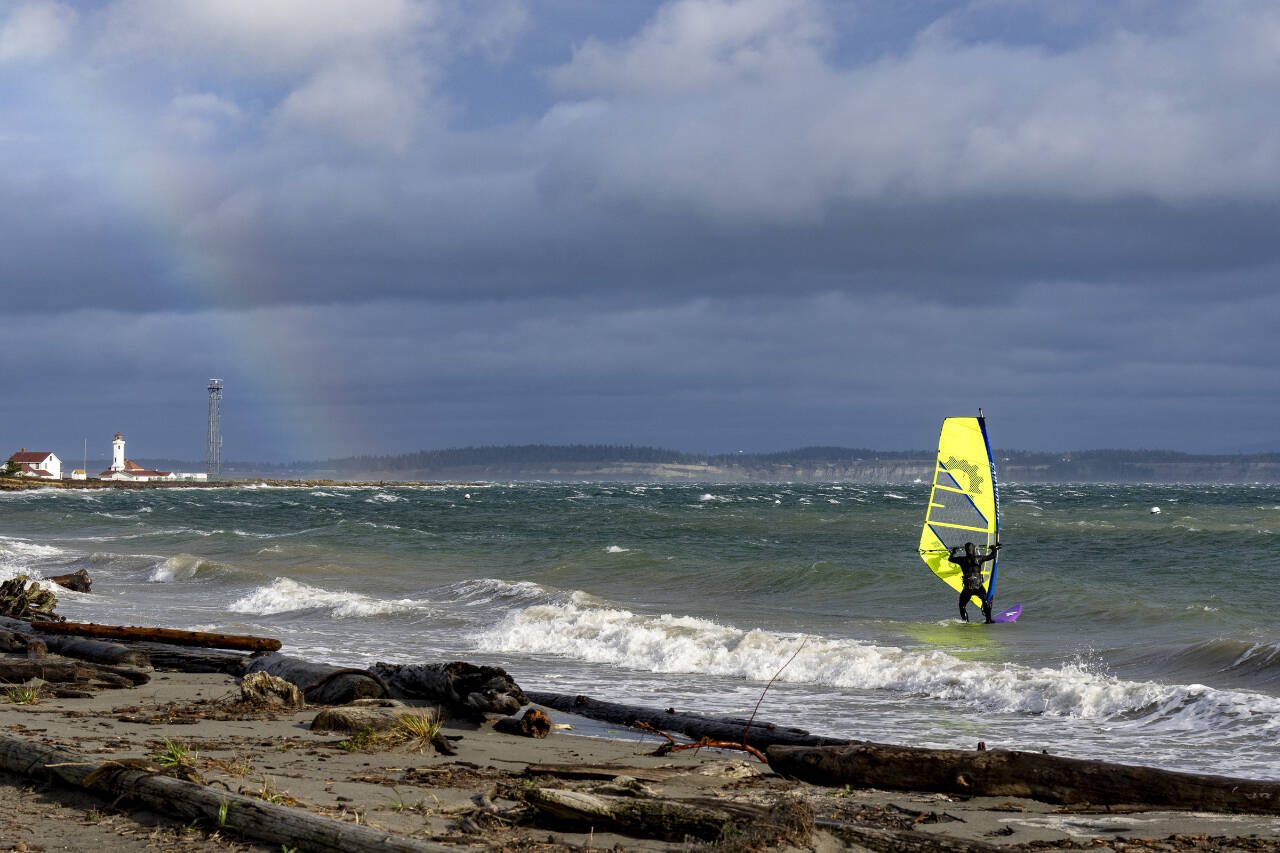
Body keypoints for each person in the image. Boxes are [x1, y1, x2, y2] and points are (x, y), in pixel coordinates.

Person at [948, 541, 1001, 623]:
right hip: (978, 587)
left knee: (962, 606)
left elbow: (950, 559)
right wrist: (994, 549)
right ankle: (988, 620)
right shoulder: (979, 558)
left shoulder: (961, 560)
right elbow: (992, 556)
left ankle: (965, 622)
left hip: (967, 589)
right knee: (985, 602)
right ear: (974, 550)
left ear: (966, 551)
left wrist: (954, 552)